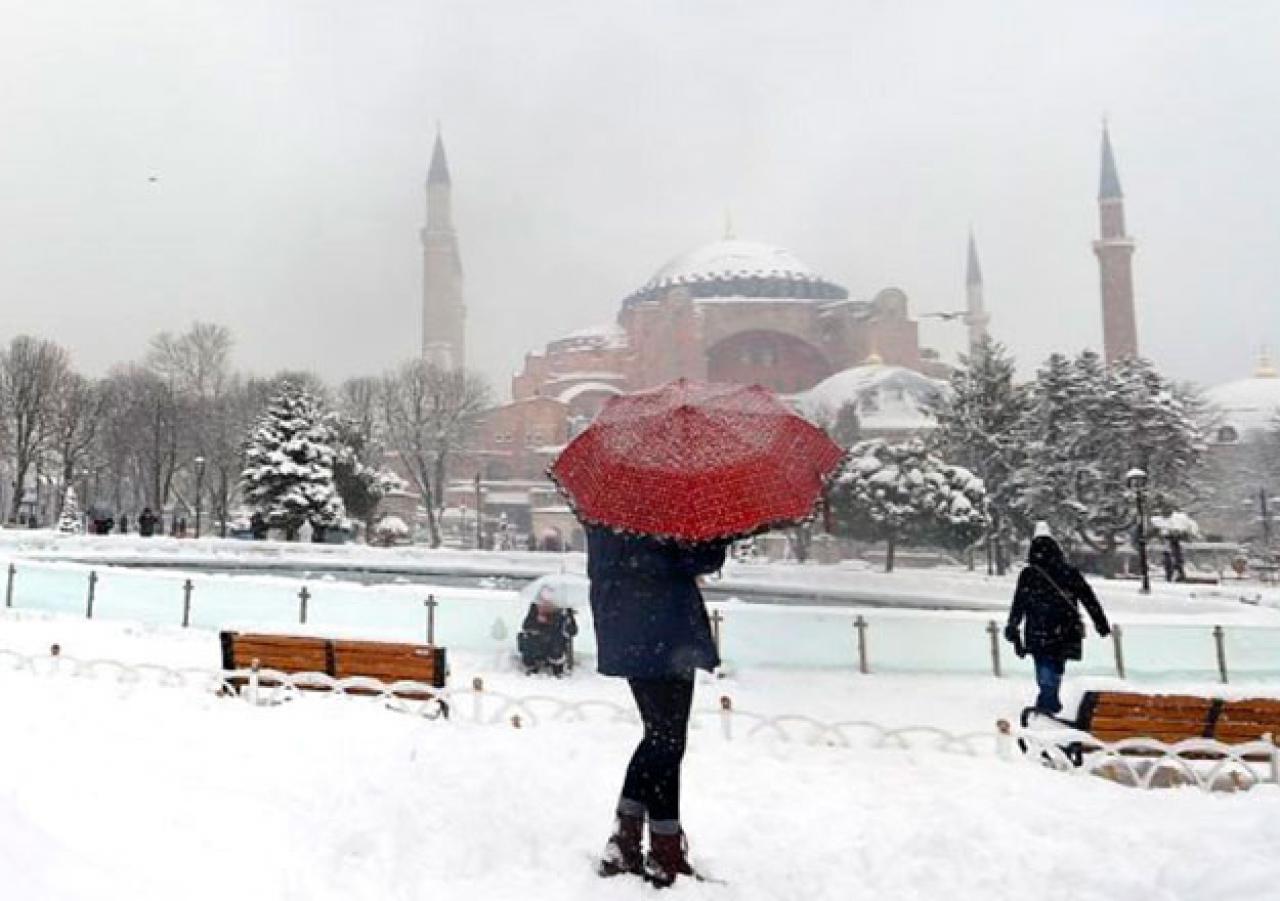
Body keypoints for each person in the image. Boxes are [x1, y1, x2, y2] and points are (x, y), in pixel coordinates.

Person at [587, 523, 727, 887]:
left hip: (628, 629)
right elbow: (693, 559)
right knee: (667, 740)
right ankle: (662, 851)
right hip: (665, 632)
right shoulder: (662, 511)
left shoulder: (608, 510)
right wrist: (717, 534)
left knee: (659, 738)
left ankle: (628, 840)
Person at [1005, 527, 1111, 717]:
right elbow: (1088, 598)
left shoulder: (1030, 574)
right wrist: (1100, 622)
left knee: (1044, 664)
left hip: (1038, 629)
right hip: (1065, 630)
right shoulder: (1069, 572)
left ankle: (1048, 701)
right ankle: (1049, 699)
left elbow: (1019, 602)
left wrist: (1013, 625)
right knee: (1056, 664)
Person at [517, 587, 578, 676]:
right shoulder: (535, 608)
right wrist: (536, 623)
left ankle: (556, 667)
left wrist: (567, 620)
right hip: (538, 642)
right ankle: (531, 665)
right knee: (526, 638)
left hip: (555, 644)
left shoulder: (563, 611)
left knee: (556, 640)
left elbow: (573, 631)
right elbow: (526, 625)